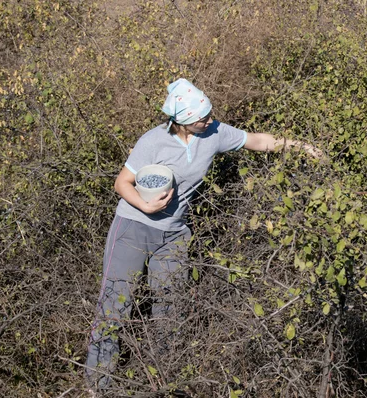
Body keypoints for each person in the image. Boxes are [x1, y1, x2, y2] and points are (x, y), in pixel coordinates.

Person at [85, 78, 322, 390]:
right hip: (133, 228)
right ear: (182, 121)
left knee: (170, 307)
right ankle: (97, 385)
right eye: (203, 117)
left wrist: (303, 147)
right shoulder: (153, 141)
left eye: (210, 115)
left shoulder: (214, 133)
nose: (210, 120)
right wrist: (145, 204)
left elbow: (259, 141)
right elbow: (122, 183)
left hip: (174, 235)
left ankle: (163, 380)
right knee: (115, 305)